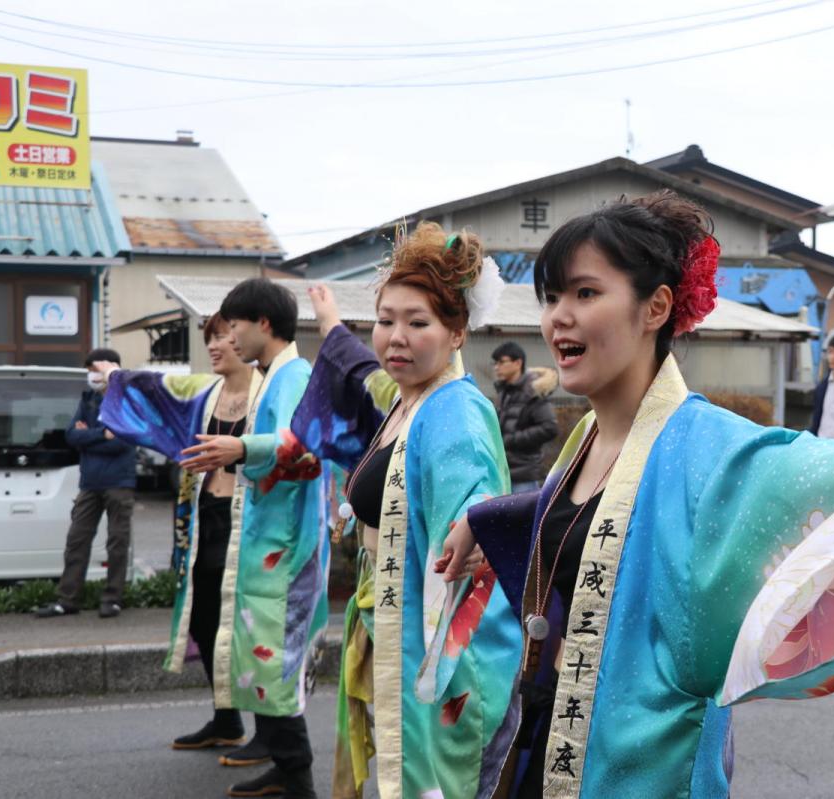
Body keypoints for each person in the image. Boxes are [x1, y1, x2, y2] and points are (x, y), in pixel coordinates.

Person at [437, 191, 834, 797]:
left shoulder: (701, 439)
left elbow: (796, 468)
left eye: (585, 293)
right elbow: (587, 516)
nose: (558, 317)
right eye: (551, 297)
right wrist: (485, 519)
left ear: (654, 308)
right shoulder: (588, 436)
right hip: (555, 735)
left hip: (648, 755)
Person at [281, 224, 520, 799]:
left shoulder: (453, 415)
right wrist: (331, 323)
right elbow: (360, 369)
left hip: (434, 661)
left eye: (419, 323)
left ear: (458, 331)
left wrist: (476, 532)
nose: (395, 337)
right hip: (388, 631)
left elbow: (472, 537)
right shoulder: (410, 399)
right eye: (386, 320)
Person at [100, 278, 329, 799]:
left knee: (274, 653)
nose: (229, 338)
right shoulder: (275, 375)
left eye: (235, 327)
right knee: (260, 649)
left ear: (262, 325)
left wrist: (241, 448)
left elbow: (306, 447)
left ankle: (297, 775)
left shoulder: (292, 376)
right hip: (265, 541)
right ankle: (285, 767)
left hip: (282, 546)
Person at [97, 314, 270, 763]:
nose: (214, 346)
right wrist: (116, 380)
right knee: (205, 621)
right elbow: (157, 389)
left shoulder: (268, 392)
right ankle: (227, 717)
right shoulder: (205, 392)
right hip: (201, 519)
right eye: (209, 338)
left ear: (244, 339)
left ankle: (273, 732)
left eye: (222, 337)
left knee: (251, 627)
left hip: (248, 524)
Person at [36, 348, 136, 620]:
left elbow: (123, 441)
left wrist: (89, 438)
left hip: (119, 481)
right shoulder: (89, 399)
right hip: (90, 482)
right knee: (77, 539)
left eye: (97, 368)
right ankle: (68, 599)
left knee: (117, 542)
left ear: (112, 368)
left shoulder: (126, 400)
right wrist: (101, 435)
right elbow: (71, 436)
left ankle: (113, 598)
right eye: (90, 369)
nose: (93, 374)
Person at [491, 341, 559, 493]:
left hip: (524, 475)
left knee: (523, 517)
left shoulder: (533, 390)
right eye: (495, 363)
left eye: (501, 362)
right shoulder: (505, 391)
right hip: (504, 472)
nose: (496, 367)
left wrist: (512, 439)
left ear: (518, 363)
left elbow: (549, 427)